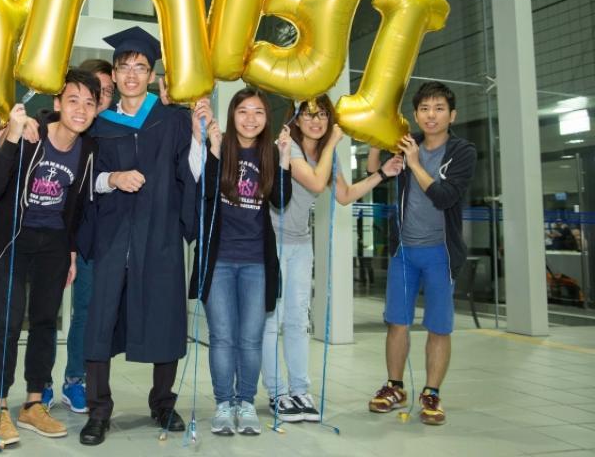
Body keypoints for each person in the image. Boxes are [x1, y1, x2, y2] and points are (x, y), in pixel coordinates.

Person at [78, 26, 200, 446]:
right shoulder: (98, 125)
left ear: (151, 75)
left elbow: (188, 174)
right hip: (112, 236)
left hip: (159, 235)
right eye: (124, 66)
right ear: (114, 72)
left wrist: (202, 138)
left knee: (164, 315)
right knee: (100, 320)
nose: (131, 74)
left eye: (140, 67)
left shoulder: (172, 120)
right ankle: (98, 410)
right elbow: (83, 179)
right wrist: (112, 177)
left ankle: (163, 402)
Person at [262, 95, 403, 424]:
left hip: (300, 244)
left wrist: (382, 173)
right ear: (296, 120)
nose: (316, 121)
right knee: (272, 321)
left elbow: (344, 196)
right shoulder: (288, 147)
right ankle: (277, 392)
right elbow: (313, 181)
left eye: (322, 115)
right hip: (270, 242)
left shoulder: (327, 154)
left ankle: (299, 389)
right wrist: (333, 144)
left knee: (298, 320)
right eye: (309, 115)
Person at [0, 69, 100, 446]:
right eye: (73, 100)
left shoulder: (88, 149)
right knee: (10, 322)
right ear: (57, 103)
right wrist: (13, 137)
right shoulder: (32, 135)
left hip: (53, 243)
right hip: (14, 239)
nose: (80, 109)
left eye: (89, 103)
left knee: (46, 323)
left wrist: (71, 251)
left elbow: (76, 204)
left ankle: (33, 404)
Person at [367, 81, 476, 426]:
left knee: (438, 327)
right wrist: (373, 141)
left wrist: (413, 163)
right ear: (416, 114)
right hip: (404, 252)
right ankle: (394, 386)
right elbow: (376, 173)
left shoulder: (463, 152)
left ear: (451, 114)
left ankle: (431, 392)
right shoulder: (405, 144)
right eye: (425, 109)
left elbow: (444, 197)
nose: (431, 115)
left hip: (440, 253)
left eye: (439, 108)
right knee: (397, 322)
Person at [188, 88, 293, 436]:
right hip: (219, 261)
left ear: (267, 119)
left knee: (250, 338)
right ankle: (222, 405)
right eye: (243, 111)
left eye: (259, 112)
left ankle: (246, 403)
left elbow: (280, 200)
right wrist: (214, 152)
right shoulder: (222, 146)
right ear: (232, 115)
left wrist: (286, 158)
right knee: (222, 338)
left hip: (256, 263)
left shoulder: (268, 153)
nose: (251, 118)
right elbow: (204, 195)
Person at [42, 59, 115, 414]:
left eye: (102, 94)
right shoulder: (49, 127)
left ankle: (75, 380)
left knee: (84, 311)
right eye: (84, 96)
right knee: (44, 310)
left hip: (91, 239)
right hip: (55, 235)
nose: (93, 103)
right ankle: (39, 381)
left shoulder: (112, 132)